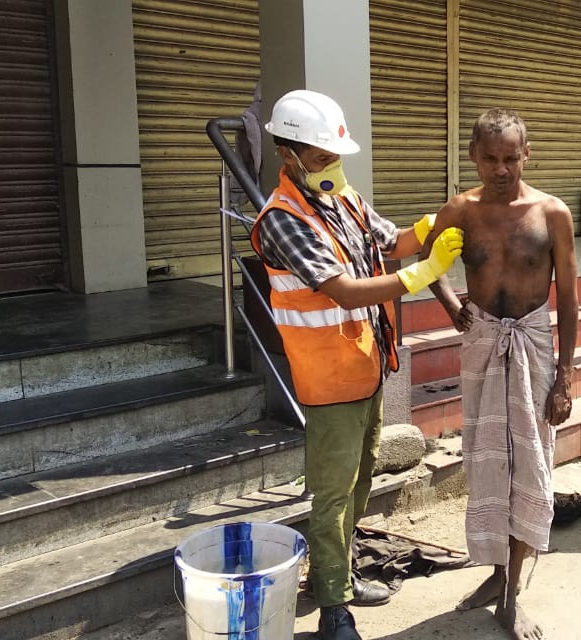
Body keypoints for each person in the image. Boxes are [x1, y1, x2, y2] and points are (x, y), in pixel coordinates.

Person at [249, 90, 464, 640]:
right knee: (333, 494)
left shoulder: (341, 199)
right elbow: (343, 291)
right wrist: (423, 274)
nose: (331, 165)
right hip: (328, 379)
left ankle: (339, 579)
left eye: (333, 154)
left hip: (365, 367)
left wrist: (447, 218)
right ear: (287, 153)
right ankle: (333, 610)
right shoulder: (282, 220)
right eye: (319, 156)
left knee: (362, 482)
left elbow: (392, 240)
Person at [424, 108, 577, 640]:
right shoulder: (459, 211)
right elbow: (428, 263)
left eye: (511, 157)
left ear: (526, 154)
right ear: (473, 156)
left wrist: (566, 377)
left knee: (531, 465)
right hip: (483, 345)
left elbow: (571, 298)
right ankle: (495, 576)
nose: (501, 168)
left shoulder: (551, 212)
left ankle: (514, 592)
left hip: (534, 347)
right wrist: (449, 304)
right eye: (490, 158)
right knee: (487, 465)